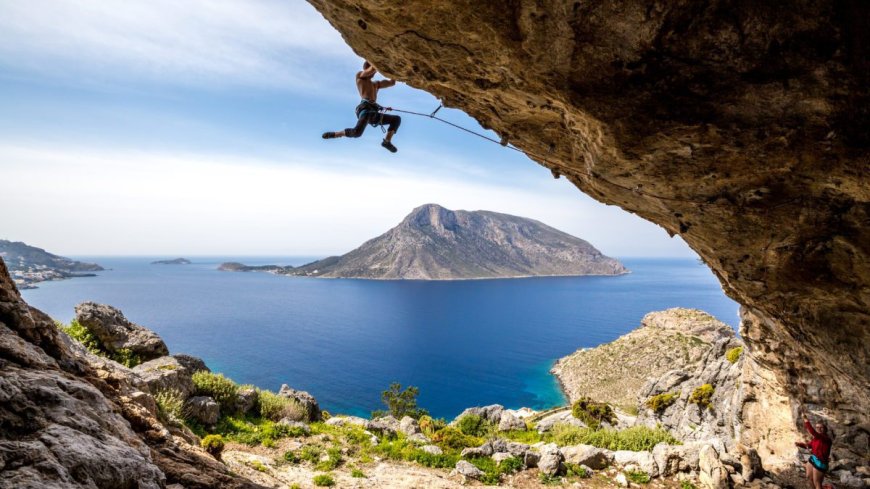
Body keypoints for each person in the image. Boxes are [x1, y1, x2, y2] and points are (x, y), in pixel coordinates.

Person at [322, 61, 402, 153]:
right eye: (374, 71)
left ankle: (387, 141)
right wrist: (380, 61)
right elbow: (372, 68)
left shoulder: (376, 84)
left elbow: (392, 83)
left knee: (396, 119)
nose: (375, 73)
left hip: (373, 112)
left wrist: (395, 71)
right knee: (357, 133)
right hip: (365, 109)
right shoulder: (360, 76)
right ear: (366, 69)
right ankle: (337, 134)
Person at [795, 410, 833, 489]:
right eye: (817, 427)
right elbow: (808, 446)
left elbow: (813, 432)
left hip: (821, 463)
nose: (819, 429)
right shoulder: (816, 438)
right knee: (809, 477)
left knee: (817, 483)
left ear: (825, 429)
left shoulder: (826, 439)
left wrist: (806, 420)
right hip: (813, 458)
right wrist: (800, 444)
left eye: (821, 427)